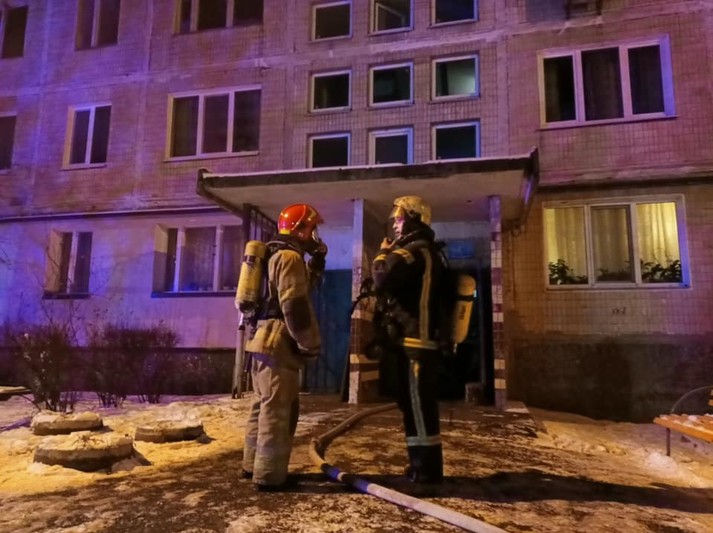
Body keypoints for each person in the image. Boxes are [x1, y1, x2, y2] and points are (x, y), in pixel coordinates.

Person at [241, 203, 327, 491]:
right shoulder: (290, 257)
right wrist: (309, 344)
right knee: (278, 411)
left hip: (261, 339)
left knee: (262, 406)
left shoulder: (274, 253)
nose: (314, 235)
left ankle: (251, 465)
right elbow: (294, 307)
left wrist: (316, 262)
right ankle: (270, 476)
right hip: (278, 343)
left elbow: (296, 290)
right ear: (300, 229)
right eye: (312, 229)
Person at [370, 195, 448, 484]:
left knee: (418, 408)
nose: (395, 224)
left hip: (416, 343)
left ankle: (426, 470)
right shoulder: (425, 251)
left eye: (400, 218)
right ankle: (419, 464)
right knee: (413, 406)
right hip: (414, 343)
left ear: (414, 220)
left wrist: (381, 253)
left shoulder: (414, 251)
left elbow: (381, 276)